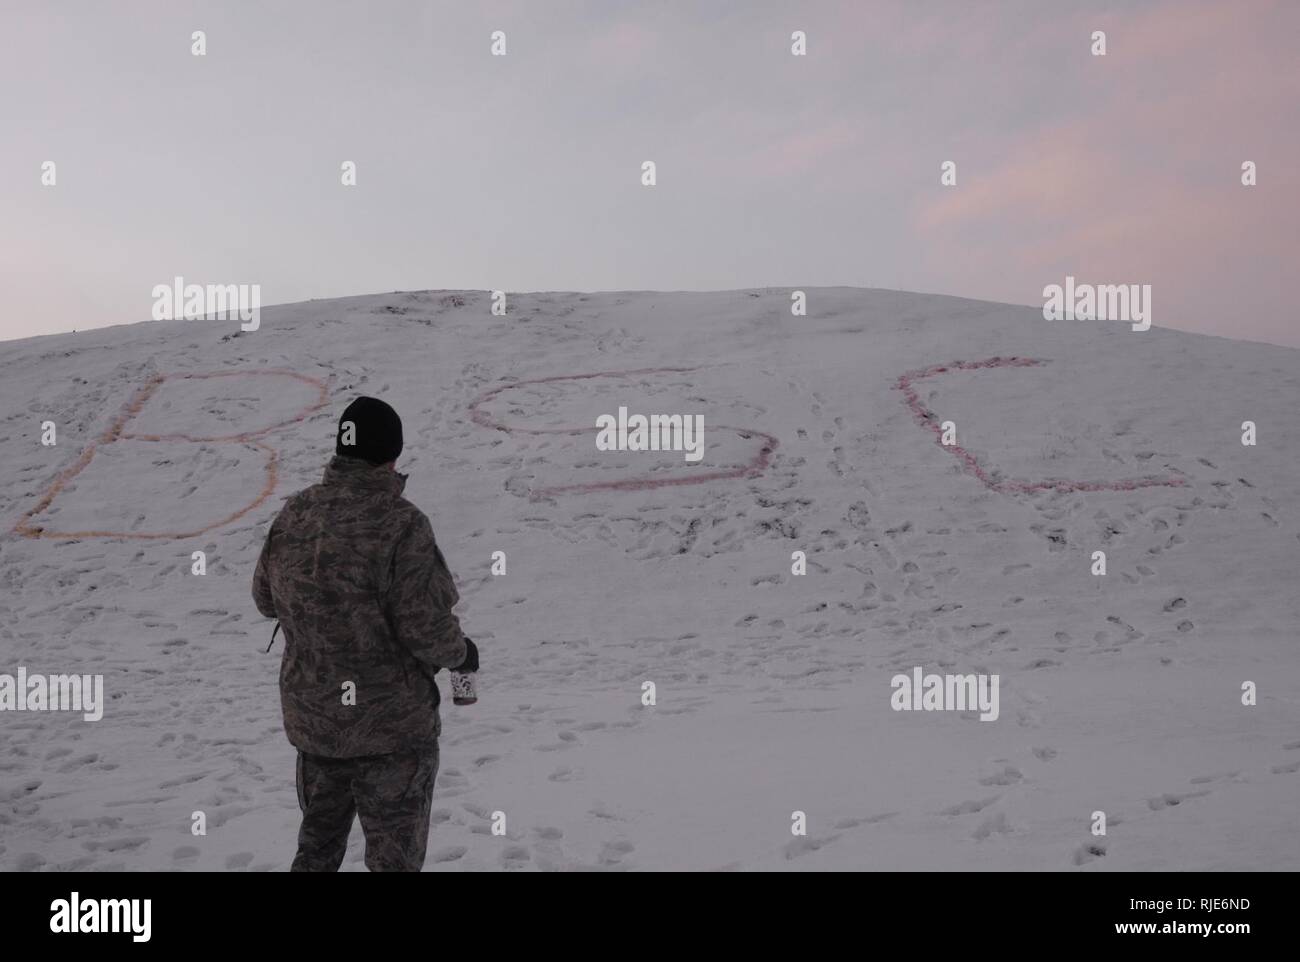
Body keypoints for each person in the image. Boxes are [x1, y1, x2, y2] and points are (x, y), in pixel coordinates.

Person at [252, 396, 478, 871]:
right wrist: (461, 656)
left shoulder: (296, 513)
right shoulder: (402, 524)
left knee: (316, 850)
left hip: (316, 725)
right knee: (393, 860)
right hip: (391, 731)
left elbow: (265, 599)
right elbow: (425, 628)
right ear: (392, 454)